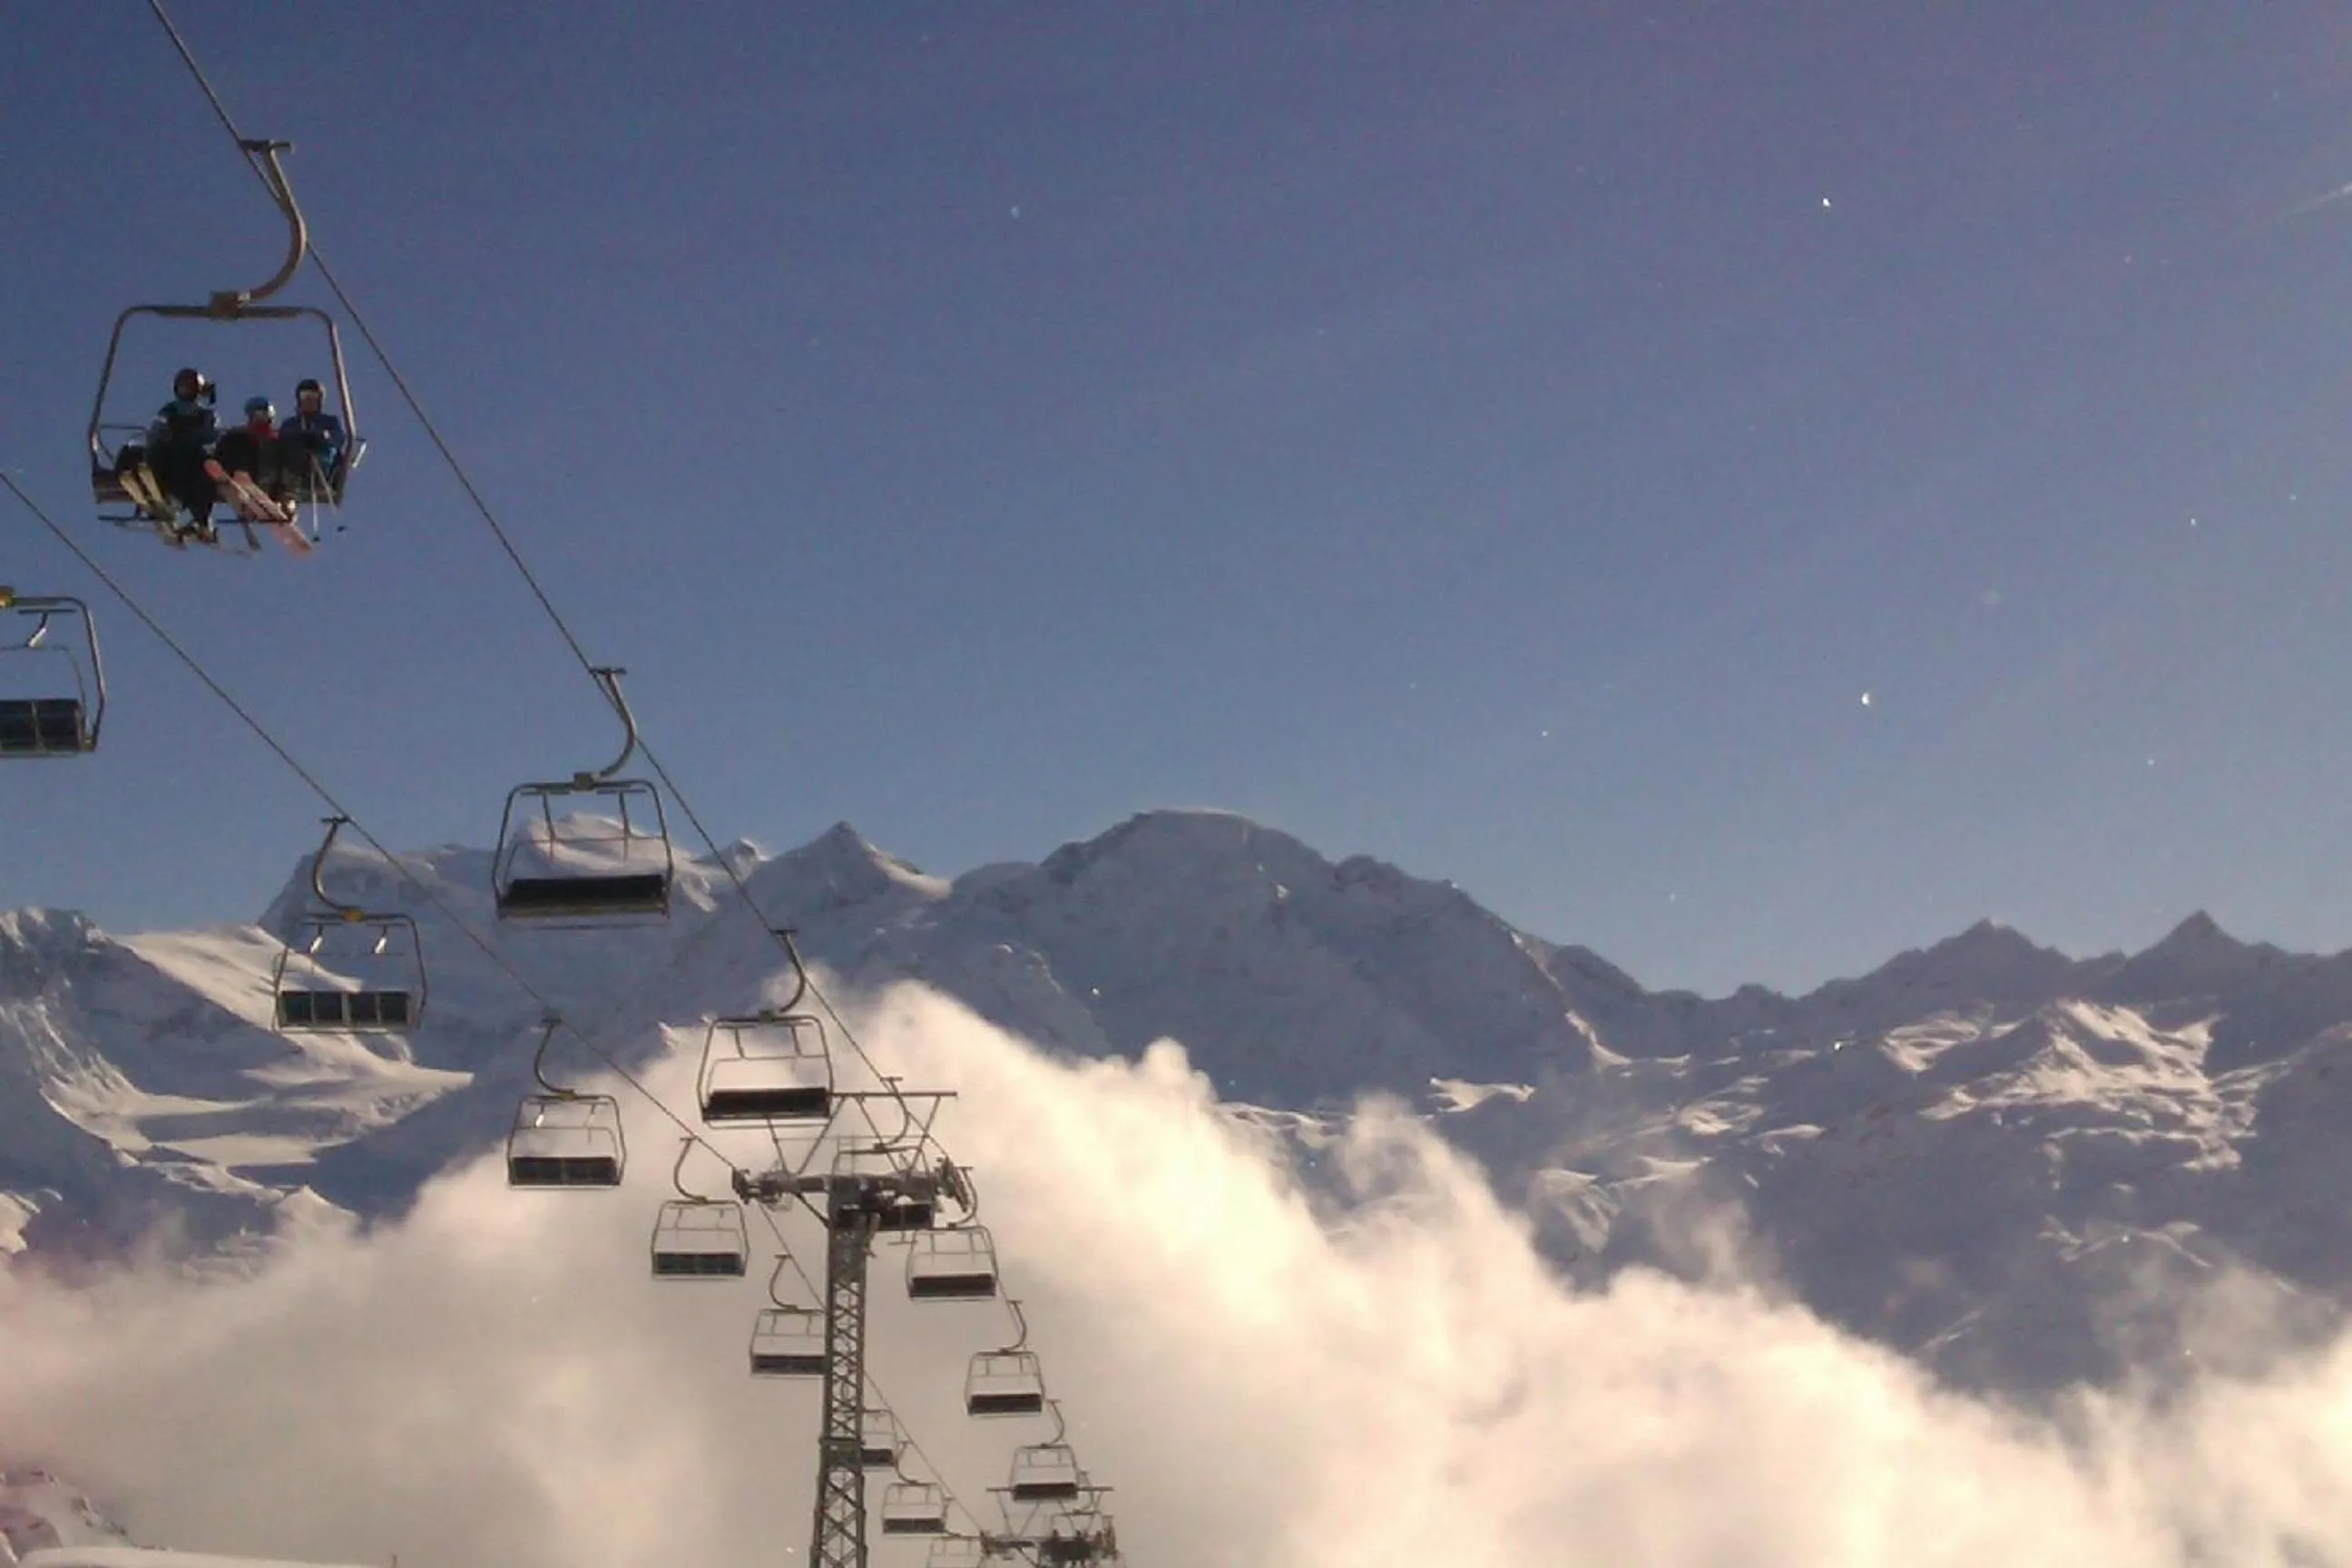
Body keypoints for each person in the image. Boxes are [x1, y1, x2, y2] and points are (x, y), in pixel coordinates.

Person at [126, 366, 220, 541]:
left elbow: (211, 435)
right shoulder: (170, 410)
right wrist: (161, 436)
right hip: (169, 456)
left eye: (189, 387)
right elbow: (157, 429)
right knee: (153, 453)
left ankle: (198, 518)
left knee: (202, 476)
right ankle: (161, 496)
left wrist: (189, 436)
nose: (185, 391)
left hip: (193, 458)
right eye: (182, 387)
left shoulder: (205, 414)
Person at [276, 377, 347, 501]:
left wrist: (326, 436)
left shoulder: (329, 421)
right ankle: (292, 482)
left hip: (321, 459)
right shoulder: (291, 423)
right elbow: (282, 438)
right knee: (292, 444)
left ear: (319, 399)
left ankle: (319, 479)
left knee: (321, 445)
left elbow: (339, 438)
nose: (308, 399)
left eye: (313, 396)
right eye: (305, 395)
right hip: (296, 461)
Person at [211, 396, 283, 504]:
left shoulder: (276, 441)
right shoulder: (236, 437)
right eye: (257, 414)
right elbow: (222, 456)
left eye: (264, 414)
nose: (260, 418)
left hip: (266, 482)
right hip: (242, 478)